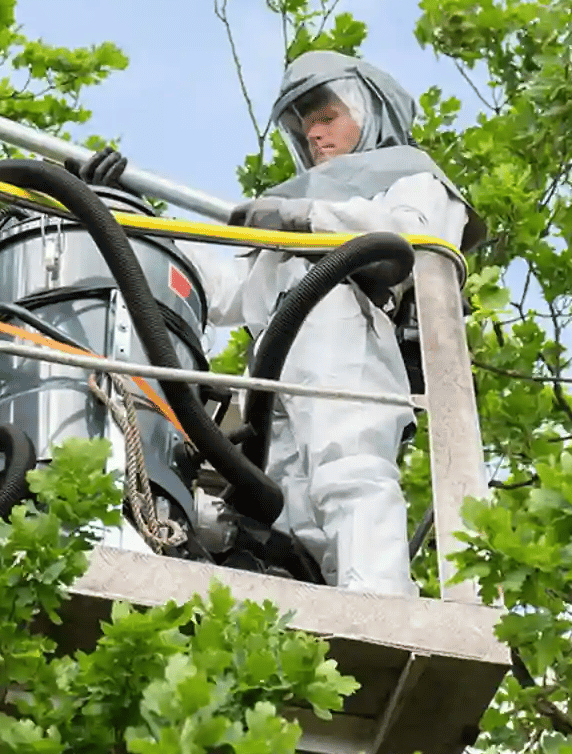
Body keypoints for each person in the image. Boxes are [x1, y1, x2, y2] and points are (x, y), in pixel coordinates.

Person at [77, 51, 473, 594]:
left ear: (370, 110)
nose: (314, 135)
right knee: (287, 504)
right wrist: (126, 218)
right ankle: (314, 605)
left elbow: (411, 240)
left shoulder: (411, 178)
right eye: (304, 126)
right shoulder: (284, 223)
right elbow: (219, 293)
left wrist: (305, 217)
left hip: (347, 332)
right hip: (274, 365)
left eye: (327, 117)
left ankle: (377, 598)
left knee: (348, 468)